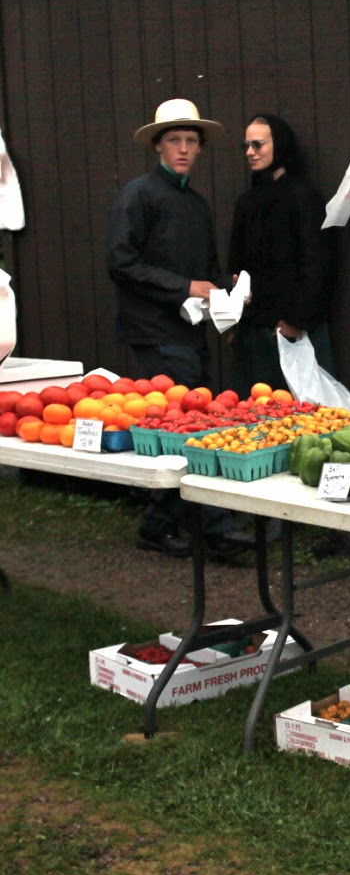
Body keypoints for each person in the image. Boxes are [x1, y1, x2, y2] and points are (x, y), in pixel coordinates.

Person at [107, 98, 240, 558]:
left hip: (190, 330)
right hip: (154, 332)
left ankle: (175, 524)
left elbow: (208, 271)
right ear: (158, 146)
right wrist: (185, 286)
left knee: (187, 425)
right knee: (180, 427)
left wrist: (231, 291)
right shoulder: (138, 195)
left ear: (200, 148)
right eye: (174, 140)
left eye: (190, 141)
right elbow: (121, 263)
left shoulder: (196, 203)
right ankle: (199, 528)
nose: (183, 148)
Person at [228, 113, 335, 394]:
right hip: (254, 330)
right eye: (246, 145)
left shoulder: (303, 198)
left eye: (258, 144)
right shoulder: (247, 201)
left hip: (292, 329)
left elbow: (317, 262)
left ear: (280, 144)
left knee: (303, 408)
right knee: (255, 408)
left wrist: (297, 320)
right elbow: (236, 263)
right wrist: (235, 323)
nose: (250, 152)